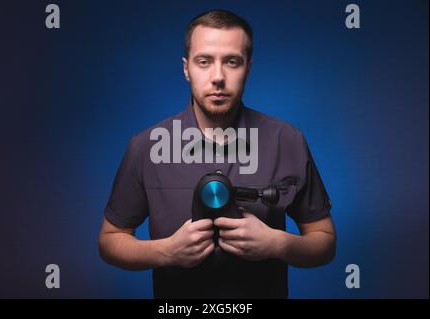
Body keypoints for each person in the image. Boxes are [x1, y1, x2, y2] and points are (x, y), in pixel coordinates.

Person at [99, 9, 336, 298]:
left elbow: (324, 242)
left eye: (232, 62)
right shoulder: (146, 146)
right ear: (186, 69)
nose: (218, 77)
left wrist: (277, 243)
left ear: (248, 67)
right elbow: (110, 240)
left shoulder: (287, 139)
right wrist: (164, 251)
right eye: (204, 61)